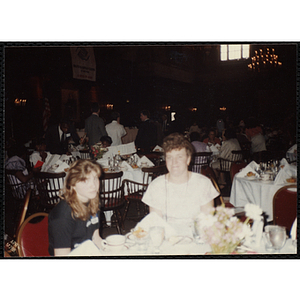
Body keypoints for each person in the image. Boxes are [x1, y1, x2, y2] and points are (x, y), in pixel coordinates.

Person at [142, 133, 219, 236]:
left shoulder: (203, 184)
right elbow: (157, 225)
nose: (174, 162)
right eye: (169, 157)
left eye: (179, 157)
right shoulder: (156, 186)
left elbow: (207, 224)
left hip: (197, 239)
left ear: (188, 159)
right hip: (167, 241)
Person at [48, 159, 103, 256]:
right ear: (73, 184)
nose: (93, 185)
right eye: (85, 181)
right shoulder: (63, 215)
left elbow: (96, 238)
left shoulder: (93, 202)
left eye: (95, 178)